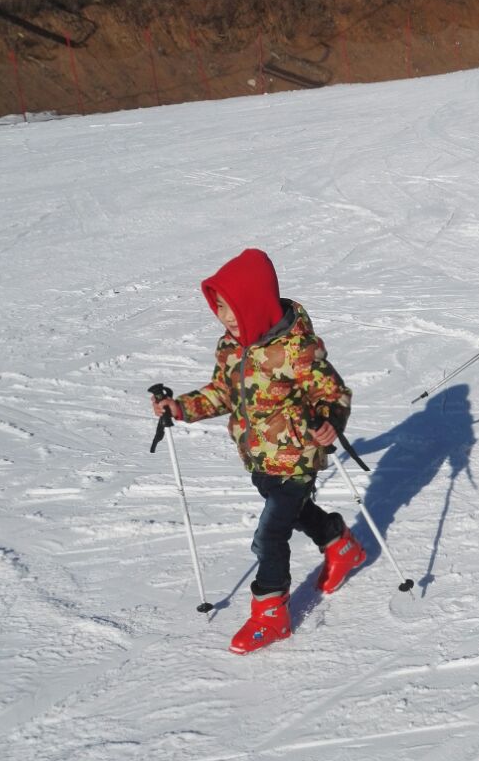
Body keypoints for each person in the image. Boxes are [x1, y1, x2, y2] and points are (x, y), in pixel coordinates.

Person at [151, 247, 365, 652]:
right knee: (295, 513)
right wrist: (180, 407)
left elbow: (333, 393)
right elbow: (221, 393)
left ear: (255, 303)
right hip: (258, 456)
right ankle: (340, 543)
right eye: (219, 308)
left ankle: (270, 613)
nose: (226, 318)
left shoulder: (297, 350)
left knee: (269, 535)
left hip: (298, 455)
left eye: (232, 308)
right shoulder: (230, 347)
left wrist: (328, 422)